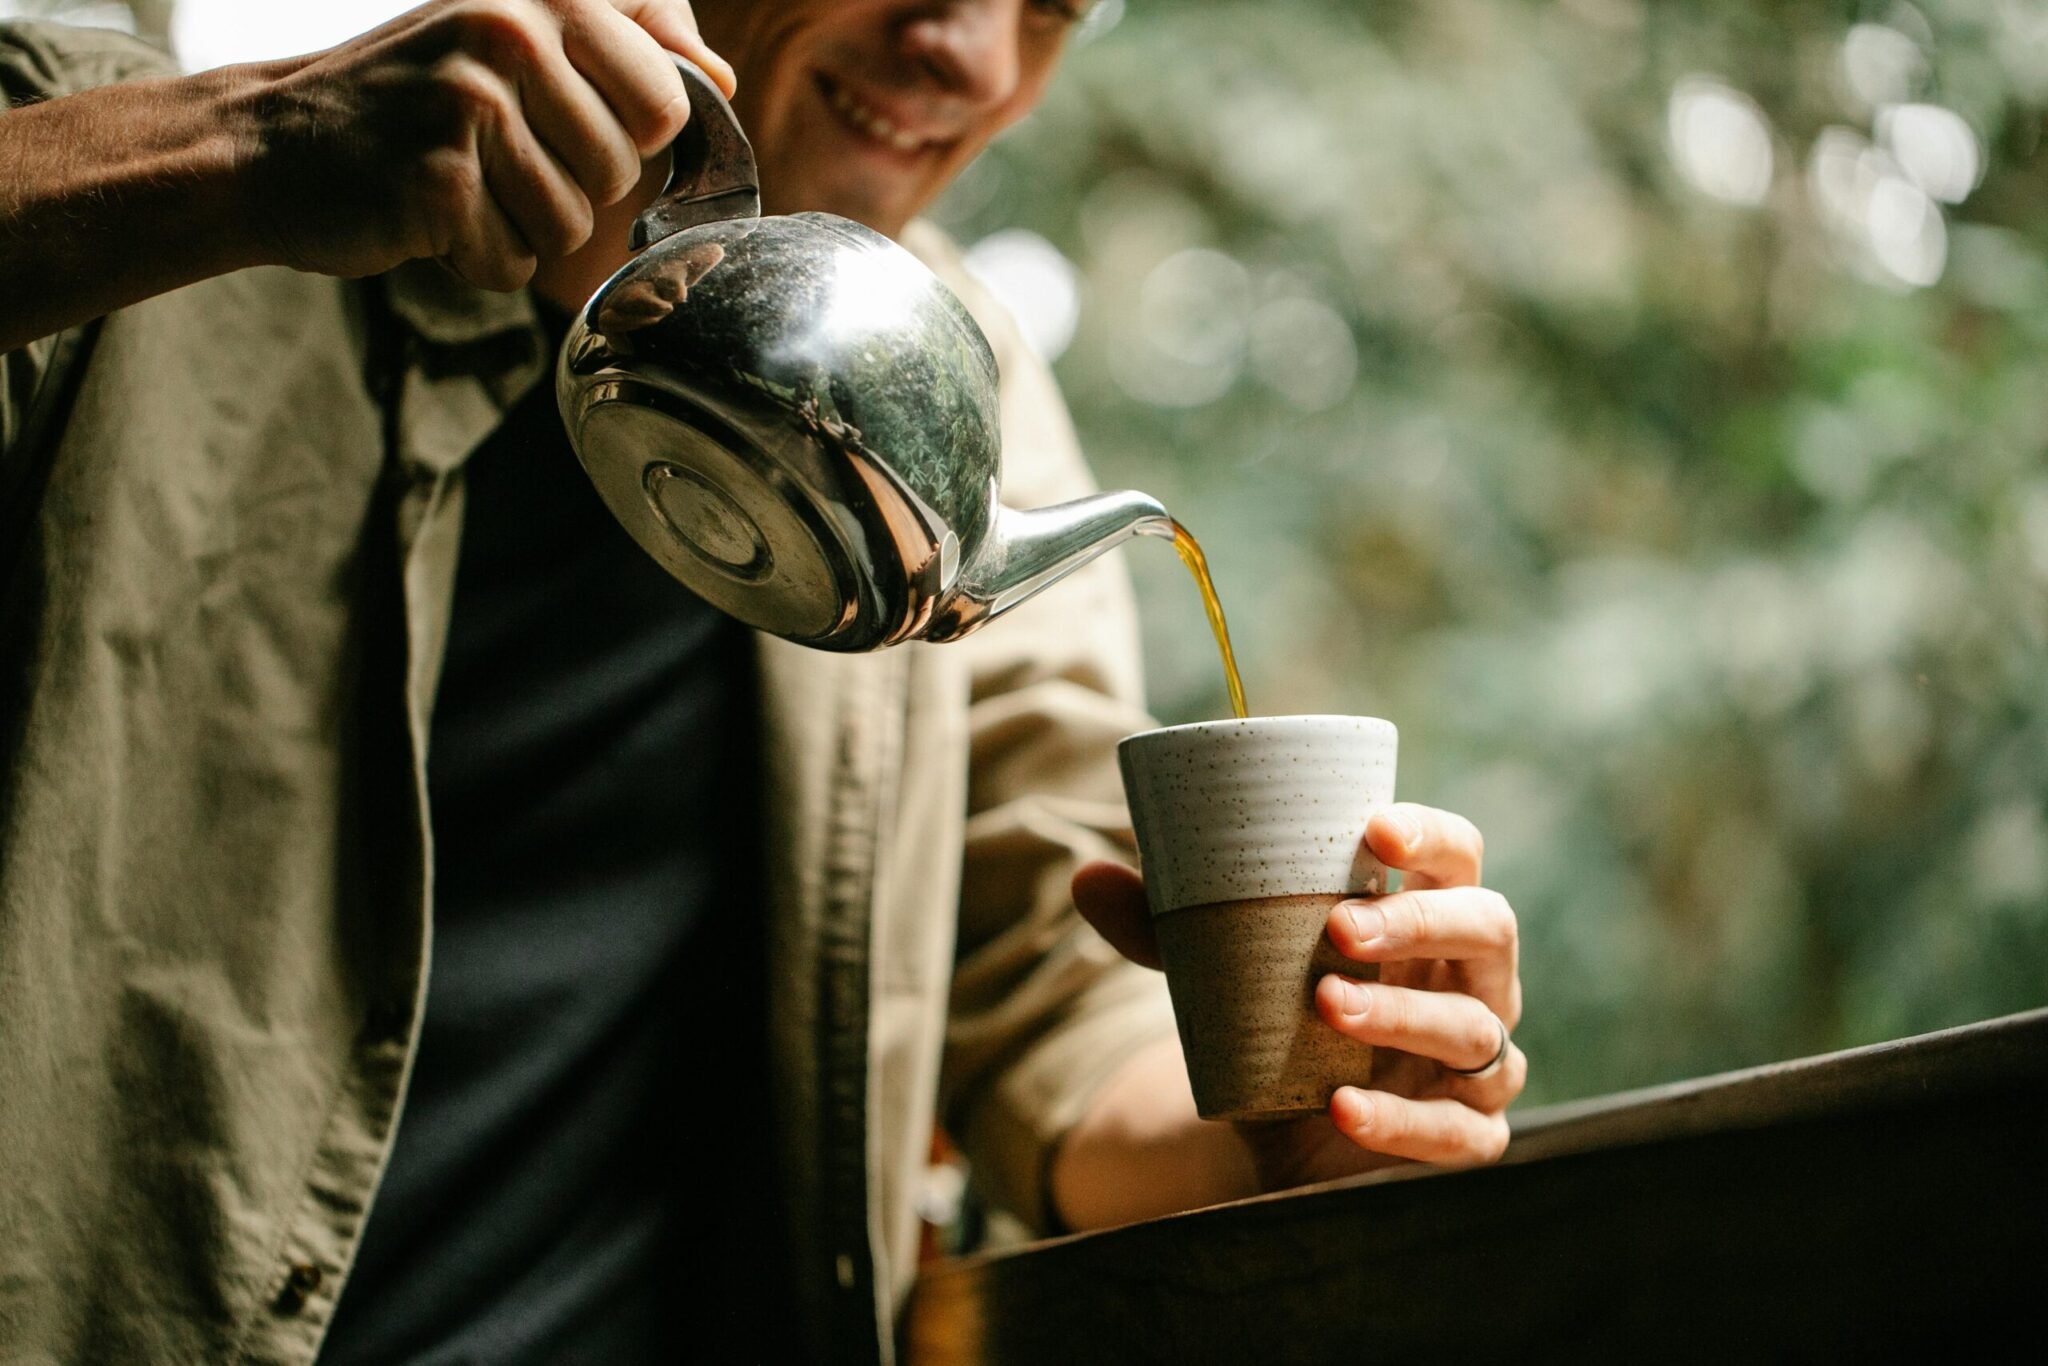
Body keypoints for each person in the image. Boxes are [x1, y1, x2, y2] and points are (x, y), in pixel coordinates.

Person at [0, 2, 1526, 1361]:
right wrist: (252, 150)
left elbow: (1058, 1027)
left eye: (1053, 8)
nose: (976, 55)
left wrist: (1303, 1121)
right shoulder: (167, 197)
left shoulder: (961, 404)